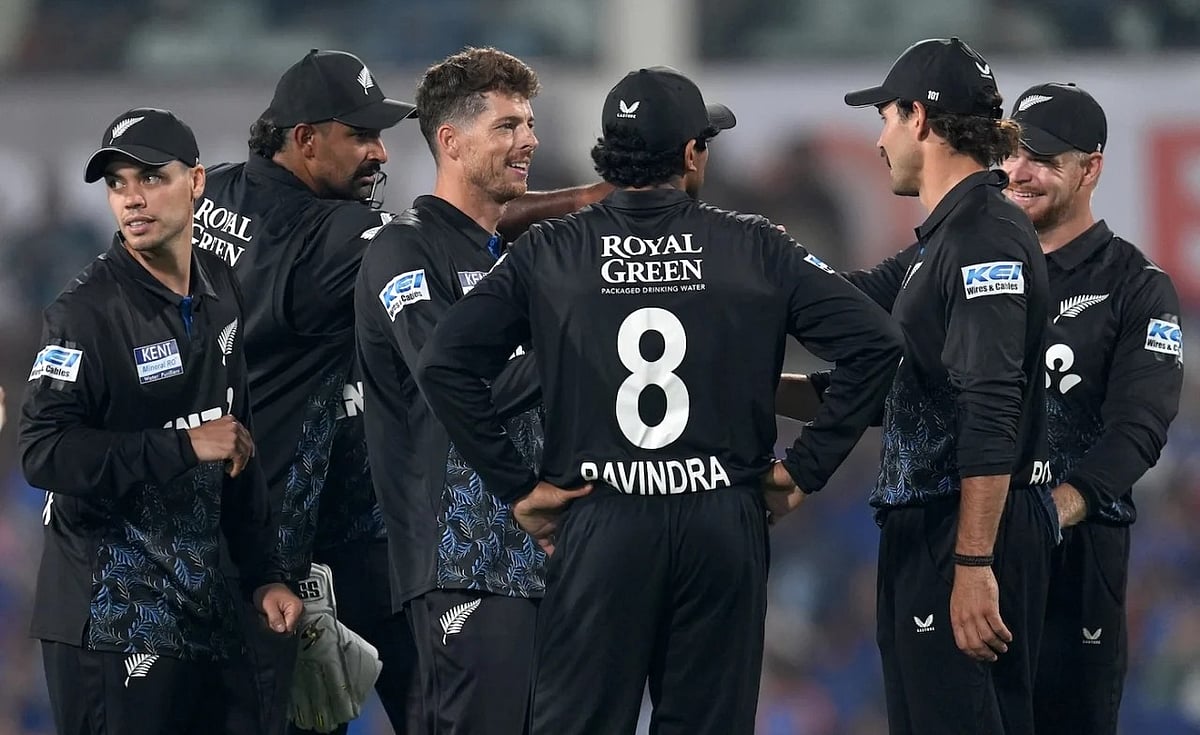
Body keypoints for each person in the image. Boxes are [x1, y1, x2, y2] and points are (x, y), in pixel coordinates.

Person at [413, 65, 905, 735]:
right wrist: (805, 470)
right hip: (720, 514)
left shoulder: (552, 250)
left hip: (599, 514)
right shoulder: (755, 244)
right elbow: (877, 343)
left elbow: (444, 363)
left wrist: (517, 486)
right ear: (691, 153)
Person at [196, 47, 609, 735]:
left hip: (250, 519)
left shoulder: (215, 196)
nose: (380, 154)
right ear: (304, 140)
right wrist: (591, 204)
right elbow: (453, 229)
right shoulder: (334, 238)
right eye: (359, 136)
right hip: (297, 535)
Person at [783, 37, 1055, 734]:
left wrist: (972, 559)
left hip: (957, 530)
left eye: (885, 118)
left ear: (921, 119)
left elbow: (991, 405)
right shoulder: (939, 247)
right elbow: (835, 316)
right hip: (930, 531)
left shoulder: (986, 242)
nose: (878, 140)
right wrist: (741, 263)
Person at [18, 107, 302, 735]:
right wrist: (181, 445)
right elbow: (44, 453)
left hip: (202, 612)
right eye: (118, 183)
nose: (132, 199)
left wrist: (263, 576)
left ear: (197, 181)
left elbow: (236, 440)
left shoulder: (223, 286)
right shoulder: (84, 313)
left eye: (150, 177)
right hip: (110, 616)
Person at [354, 46, 571, 735]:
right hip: (460, 565)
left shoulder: (515, 258)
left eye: (529, 124)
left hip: (545, 563)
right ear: (450, 140)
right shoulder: (403, 250)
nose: (528, 139)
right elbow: (452, 378)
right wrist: (576, 343)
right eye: (507, 125)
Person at [1003, 83, 1183, 735]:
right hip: (969, 560)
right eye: (1013, 152)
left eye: (1045, 158)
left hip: (1075, 571)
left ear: (1092, 169)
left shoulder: (1137, 286)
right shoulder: (967, 268)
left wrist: (1052, 510)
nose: (1021, 172)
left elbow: (1139, 428)